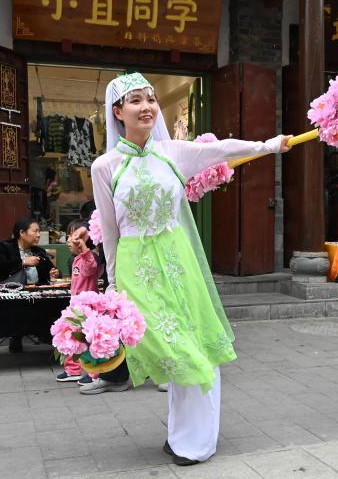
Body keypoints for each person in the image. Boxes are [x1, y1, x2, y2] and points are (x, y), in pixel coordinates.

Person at [91, 73, 289, 466]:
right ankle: (186, 436)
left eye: (151, 98)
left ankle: (192, 441)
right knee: (174, 352)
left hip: (179, 262)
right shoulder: (104, 166)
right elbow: (110, 233)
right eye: (135, 100)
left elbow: (220, 151)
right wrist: (112, 286)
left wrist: (268, 145)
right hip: (137, 269)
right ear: (117, 112)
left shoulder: (171, 152)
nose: (147, 106)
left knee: (197, 351)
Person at [55, 220, 105, 382]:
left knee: (91, 340)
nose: (69, 240)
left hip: (88, 308)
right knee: (71, 337)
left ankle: (94, 373)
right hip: (75, 306)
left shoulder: (91, 257)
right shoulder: (76, 259)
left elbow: (91, 268)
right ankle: (73, 370)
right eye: (69, 236)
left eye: (73, 236)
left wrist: (84, 249)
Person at [0, 218, 60, 352]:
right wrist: (22, 262)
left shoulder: (38, 251)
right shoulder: (5, 247)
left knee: (53, 304)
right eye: (35, 231)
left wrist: (54, 273)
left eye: (39, 231)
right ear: (22, 233)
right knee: (17, 309)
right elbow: (2, 267)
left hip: (35, 293)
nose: (38, 235)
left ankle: (47, 335)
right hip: (12, 294)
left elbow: (52, 270)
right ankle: (16, 335)